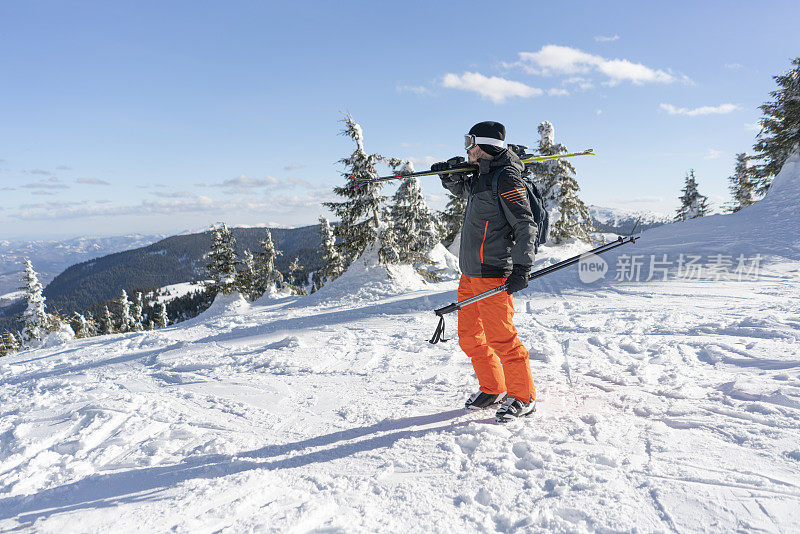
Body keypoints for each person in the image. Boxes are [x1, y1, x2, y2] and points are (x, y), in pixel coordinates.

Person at [432, 121, 537, 423]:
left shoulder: (506, 178)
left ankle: (523, 396)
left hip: (493, 274)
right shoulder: (482, 175)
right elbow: (465, 191)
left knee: (502, 339)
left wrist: (522, 266)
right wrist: (449, 176)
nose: (466, 148)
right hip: (470, 274)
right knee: (469, 337)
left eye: (470, 143)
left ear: (485, 145)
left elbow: (525, 224)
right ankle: (493, 387)